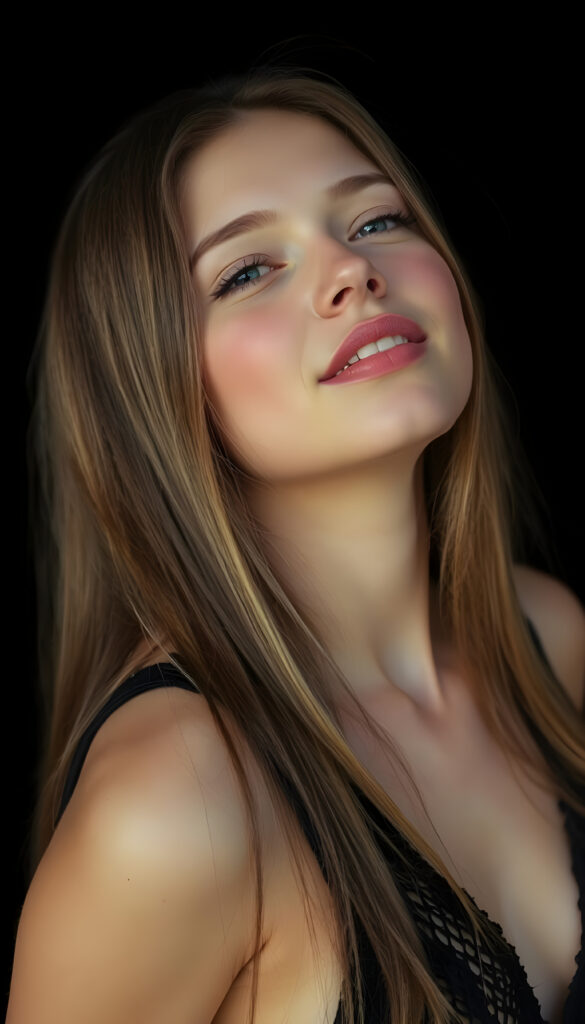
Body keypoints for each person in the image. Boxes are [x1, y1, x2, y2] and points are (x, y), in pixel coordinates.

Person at [7, 66, 585, 1024]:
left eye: (375, 221)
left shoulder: (548, 639)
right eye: (246, 271)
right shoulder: (175, 804)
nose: (354, 272)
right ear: (154, 391)